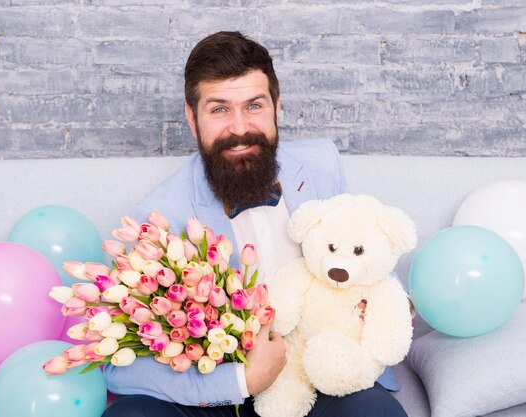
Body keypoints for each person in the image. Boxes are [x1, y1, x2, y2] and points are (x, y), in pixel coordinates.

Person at [103, 31, 408, 417]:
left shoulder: (321, 165)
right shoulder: (159, 219)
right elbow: (119, 368)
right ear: (191, 119)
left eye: (254, 106)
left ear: (277, 108)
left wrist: (390, 306)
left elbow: (361, 252)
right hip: (218, 389)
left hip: (316, 373)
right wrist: (242, 381)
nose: (239, 127)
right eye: (219, 109)